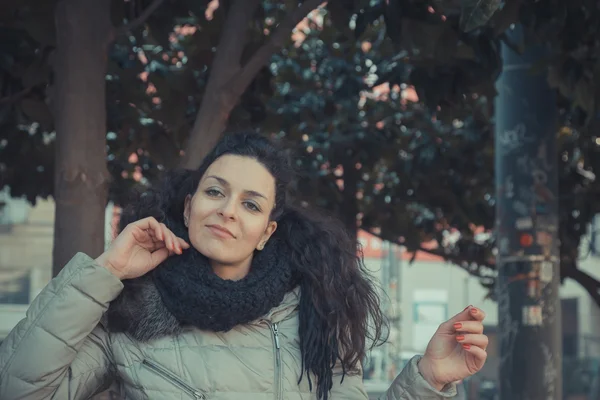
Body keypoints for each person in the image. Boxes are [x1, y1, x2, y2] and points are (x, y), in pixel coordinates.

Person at [0, 132, 488, 399]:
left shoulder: (317, 317)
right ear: (189, 207)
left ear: (266, 232)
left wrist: (427, 379)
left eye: (251, 205)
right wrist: (103, 271)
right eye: (215, 192)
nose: (228, 210)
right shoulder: (128, 320)